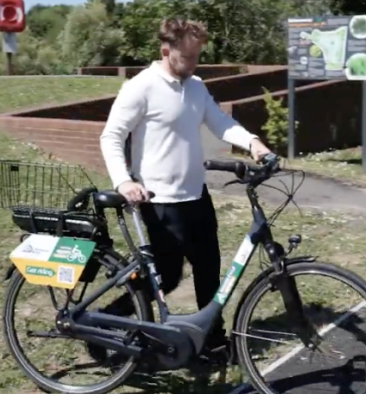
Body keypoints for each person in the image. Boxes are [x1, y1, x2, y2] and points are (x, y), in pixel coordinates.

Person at [94, 18, 273, 363]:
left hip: (196, 196)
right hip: (159, 202)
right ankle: (112, 319)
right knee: (170, 276)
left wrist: (252, 142)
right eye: (187, 58)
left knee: (209, 271)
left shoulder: (196, 86)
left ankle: (212, 340)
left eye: (197, 58)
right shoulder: (141, 87)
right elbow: (111, 136)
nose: (193, 65)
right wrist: (124, 180)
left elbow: (220, 123)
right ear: (166, 51)